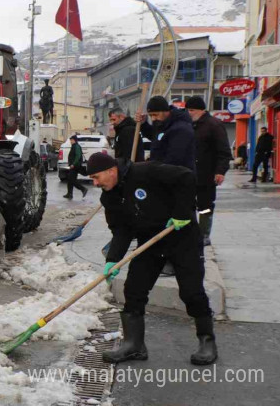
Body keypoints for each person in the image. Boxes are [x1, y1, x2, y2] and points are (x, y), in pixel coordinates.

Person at [86, 153, 217, 366]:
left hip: (182, 236)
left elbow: (186, 177)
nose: (95, 183)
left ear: (112, 171)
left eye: (96, 177)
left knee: (191, 291)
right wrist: (113, 260)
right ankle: (134, 345)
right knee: (134, 289)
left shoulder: (145, 172)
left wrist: (182, 212)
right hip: (151, 242)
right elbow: (121, 230)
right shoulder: (109, 197)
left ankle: (207, 341)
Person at [186, 96, 231, 246]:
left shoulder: (214, 125)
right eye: (187, 110)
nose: (189, 113)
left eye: (191, 110)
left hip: (207, 174)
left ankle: (204, 234)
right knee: (187, 204)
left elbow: (224, 151)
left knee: (205, 206)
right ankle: (191, 233)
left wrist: (220, 171)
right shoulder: (189, 125)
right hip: (189, 173)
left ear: (201, 110)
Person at [136, 96, 196, 172]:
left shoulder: (181, 128)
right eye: (151, 115)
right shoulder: (162, 124)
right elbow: (156, 137)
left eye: (155, 114)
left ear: (165, 111)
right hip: (162, 174)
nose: (153, 119)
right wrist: (143, 124)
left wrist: (153, 169)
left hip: (176, 176)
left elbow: (174, 159)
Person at [64, 135, 88, 199]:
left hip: (75, 166)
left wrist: (73, 164)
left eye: (71, 140)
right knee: (70, 179)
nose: (70, 141)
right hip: (74, 166)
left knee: (72, 180)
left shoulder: (76, 146)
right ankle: (69, 194)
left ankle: (83, 189)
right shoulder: (74, 146)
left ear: (74, 140)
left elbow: (78, 156)